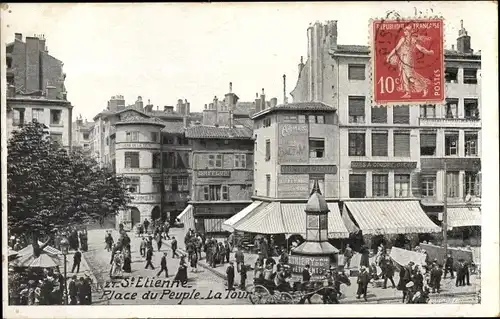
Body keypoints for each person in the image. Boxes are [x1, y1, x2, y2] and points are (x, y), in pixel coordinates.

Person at [385, 24, 434, 99]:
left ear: (410, 32)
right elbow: (396, 48)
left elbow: (420, 48)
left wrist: (428, 52)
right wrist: (389, 56)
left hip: (408, 59)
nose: (405, 32)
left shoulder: (412, 39)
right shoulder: (403, 39)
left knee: (410, 76)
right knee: (404, 75)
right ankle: (408, 92)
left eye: (407, 31)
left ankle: (424, 87)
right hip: (402, 58)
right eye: (404, 30)